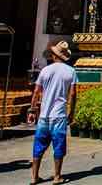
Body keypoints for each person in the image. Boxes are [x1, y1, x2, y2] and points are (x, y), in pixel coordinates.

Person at [28, 41, 76, 185]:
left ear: (54, 55)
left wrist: (32, 109)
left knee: (38, 147)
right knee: (59, 146)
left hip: (44, 115)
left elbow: (36, 92)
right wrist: (71, 112)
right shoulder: (70, 71)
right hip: (59, 115)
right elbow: (73, 94)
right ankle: (57, 176)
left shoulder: (45, 70)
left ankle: (34, 177)